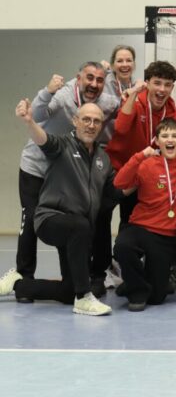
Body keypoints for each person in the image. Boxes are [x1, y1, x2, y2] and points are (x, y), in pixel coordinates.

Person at [0, 101, 117, 316]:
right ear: (75, 121)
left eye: (96, 121)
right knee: (80, 227)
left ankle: (19, 285)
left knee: (69, 290)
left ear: (101, 126)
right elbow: (43, 140)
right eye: (86, 119)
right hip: (50, 219)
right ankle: (84, 299)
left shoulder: (103, 159)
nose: (91, 125)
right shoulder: (63, 145)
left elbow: (115, 191)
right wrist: (30, 122)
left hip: (76, 230)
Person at [15, 62, 119, 295]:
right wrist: (47, 92)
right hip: (38, 165)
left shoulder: (105, 100)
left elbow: (123, 105)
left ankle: (72, 282)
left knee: (70, 220)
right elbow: (38, 115)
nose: (94, 84)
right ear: (78, 78)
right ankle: (22, 276)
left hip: (65, 169)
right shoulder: (63, 95)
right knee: (31, 220)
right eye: (89, 78)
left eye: (99, 80)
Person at [112, 118, 176, 311]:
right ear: (157, 141)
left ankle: (132, 283)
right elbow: (119, 183)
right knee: (122, 247)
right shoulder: (146, 163)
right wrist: (140, 156)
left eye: (174, 136)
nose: (170, 140)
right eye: (164, 136)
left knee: (156, 298)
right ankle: (136, 290)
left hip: (165, 235)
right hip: (140, 227)